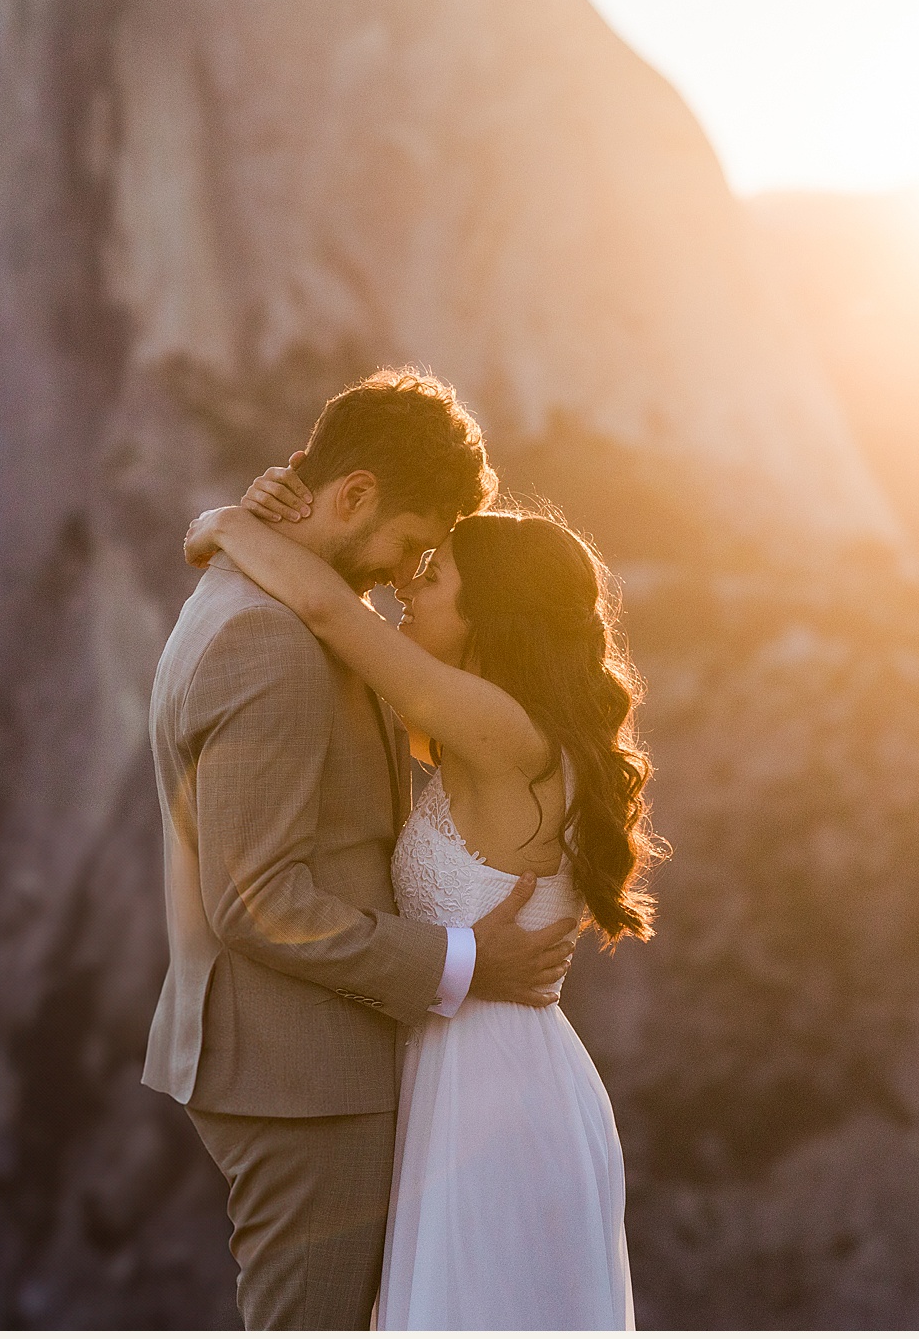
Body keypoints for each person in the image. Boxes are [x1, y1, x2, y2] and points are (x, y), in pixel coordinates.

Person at [142, 370, 580, 1331]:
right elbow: (258, 899)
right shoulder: (270, 640)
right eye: (411, 542)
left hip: (328, 1056)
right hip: (303, 1073)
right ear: (352, 496)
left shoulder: (276, 606)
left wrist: (225, 521)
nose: (406, 575)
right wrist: (470, 959)